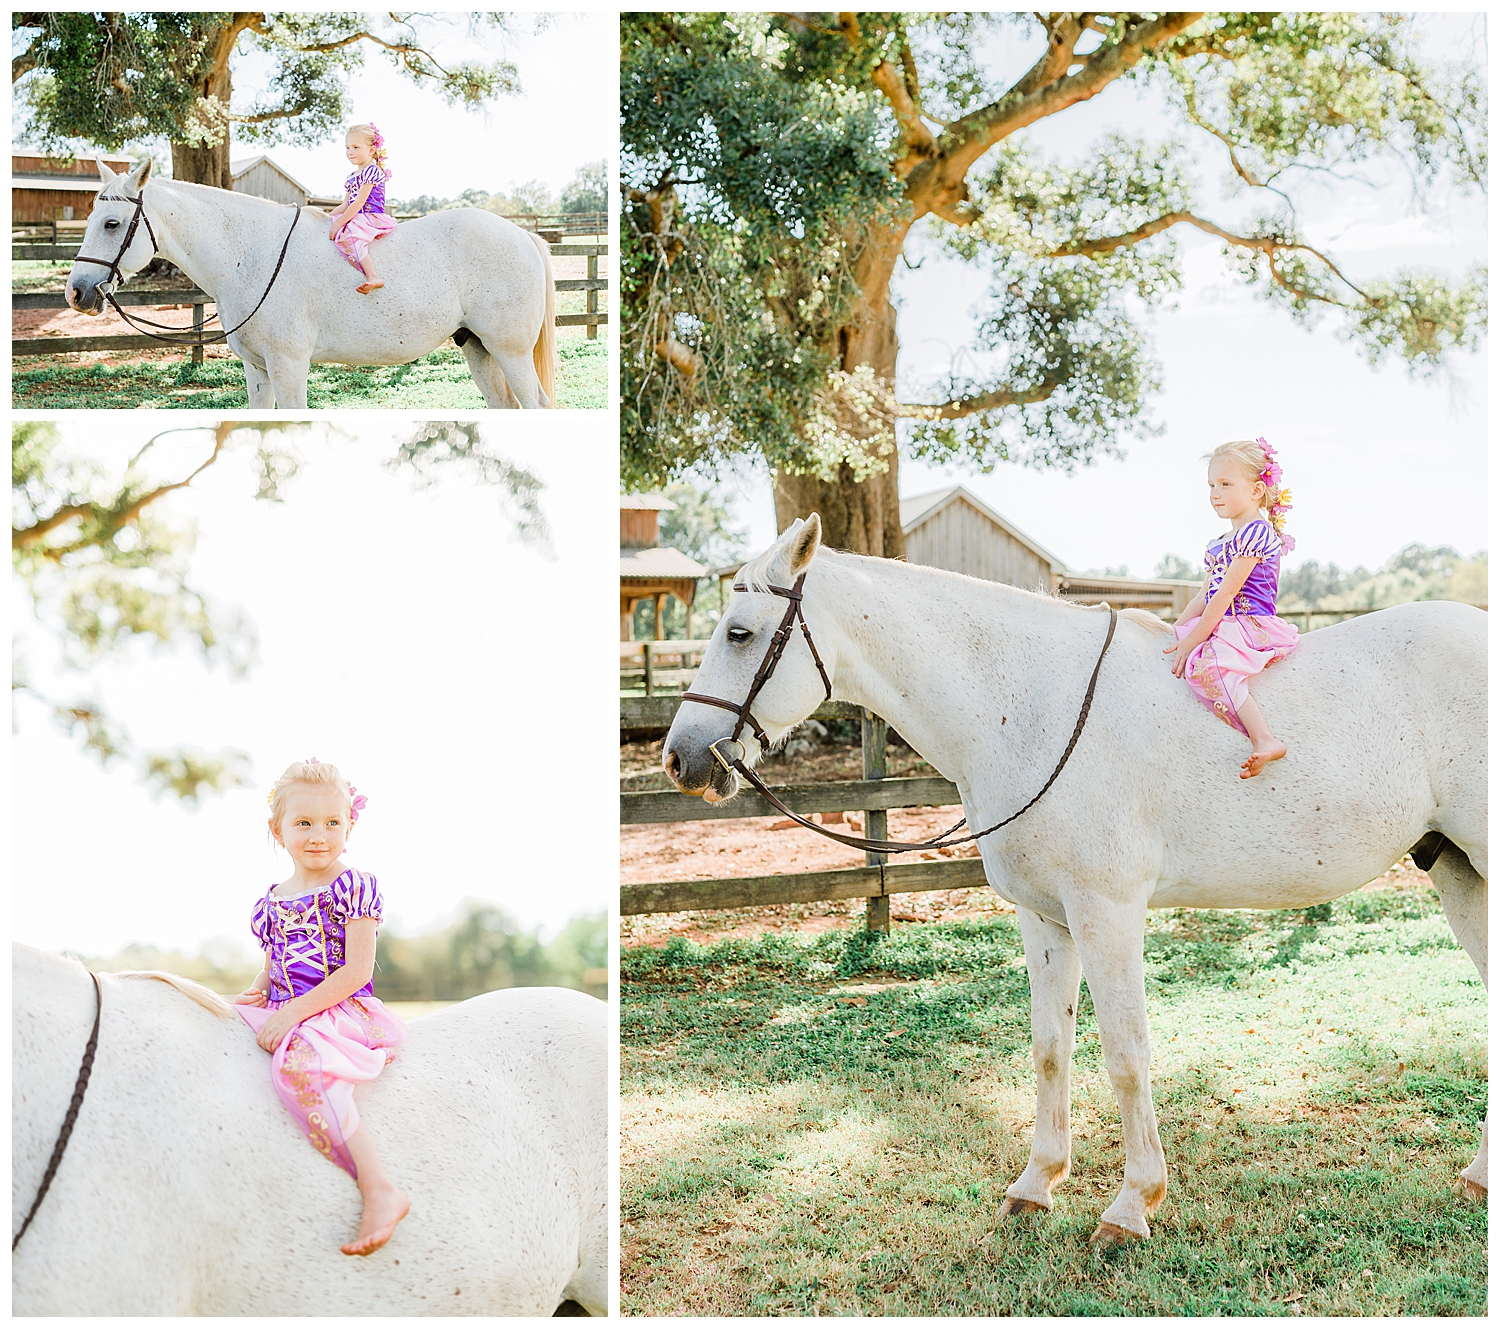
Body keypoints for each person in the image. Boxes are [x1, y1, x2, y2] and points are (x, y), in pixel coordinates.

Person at [235, 758, 409, 1255]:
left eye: (333, 823)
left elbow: (356, 972)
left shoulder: (353, 887)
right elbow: (272, 966)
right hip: (286, 1004)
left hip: (337, 1008)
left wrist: (292, 1013)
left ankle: (379, 1187)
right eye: (304, 823)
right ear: (278, 830)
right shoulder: (270, 902)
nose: (319, 836)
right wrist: (256, 991)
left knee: (303, 1070)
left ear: (349, 827)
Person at [1164, 437, 1300, 779]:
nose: (1215, 493)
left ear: (1256, 490)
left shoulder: (1257, 533)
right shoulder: (1220, 543)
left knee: (1213, 667)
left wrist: (1194, 640)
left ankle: (1264, 737)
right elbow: (1203, 597)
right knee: (1181, 646)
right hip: (1222, 619)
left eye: (1225, 484)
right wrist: (1175, 633)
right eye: (1211, 485)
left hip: (1247, 622)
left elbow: (1224, 595)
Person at [328, 122, 396, 294]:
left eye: (355, 147)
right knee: (333, 223)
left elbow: (358, 203)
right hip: (355, 214)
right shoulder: (352, 177)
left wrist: (338, 224)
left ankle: (373, 276)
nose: (350, 152)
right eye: (347, 147)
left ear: (371, 150)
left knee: (352, 236)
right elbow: (345, 205)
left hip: (369, 216)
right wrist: (326, 218)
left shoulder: (372, 171)